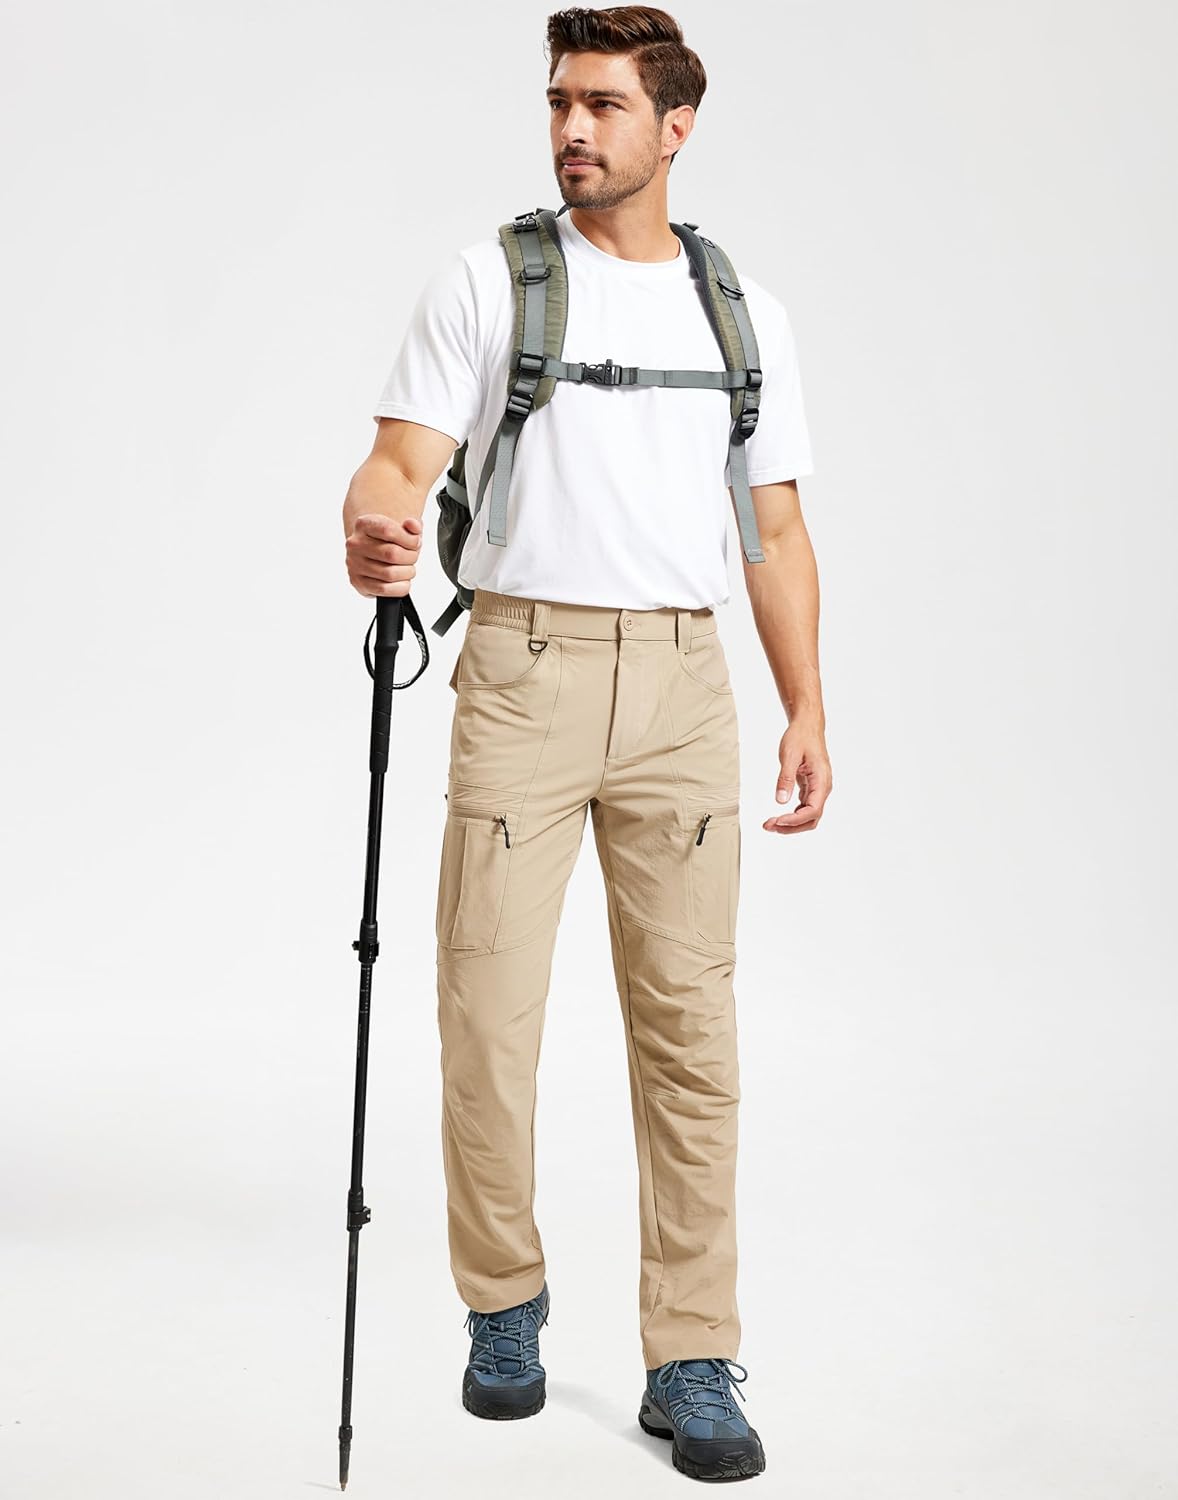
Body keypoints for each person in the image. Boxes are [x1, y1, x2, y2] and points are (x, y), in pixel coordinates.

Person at [341, 4, 832, 1483]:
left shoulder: (739, 313)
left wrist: (806, 703)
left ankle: (693, 1353)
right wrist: (371, 526)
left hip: (684, 687)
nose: (572, 127)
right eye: (560, 99)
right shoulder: (489, 281)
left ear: (674, 127)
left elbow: (774, 524)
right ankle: (504, 1307)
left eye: (604, 104)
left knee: (691, 1037)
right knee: (485, 1018)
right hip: (524, 671)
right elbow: (399, 460)